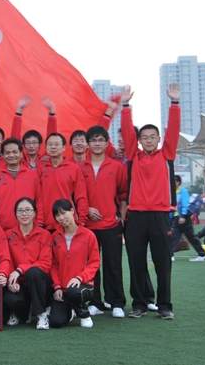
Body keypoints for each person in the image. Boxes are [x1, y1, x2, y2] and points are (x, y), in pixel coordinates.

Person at [120, 83, 180, 320]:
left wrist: (174, 103)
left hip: (159, 215)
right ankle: (139, 304)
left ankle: (165, 306)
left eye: (152, 137)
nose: (148, 140)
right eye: (144, 137)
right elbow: (127, 131)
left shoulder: (166, 154)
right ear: (139, 140)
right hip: (135, 216)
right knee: (136, 262)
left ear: (158, 139)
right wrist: (126, 106)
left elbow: (173, 130)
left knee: (163, 263)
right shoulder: (133, 156)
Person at [79, 126, 128, 318]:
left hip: (111, 224)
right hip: (88, 226)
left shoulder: (116, 167)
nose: (97, 143)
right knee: (92, 266)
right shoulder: (81, 168)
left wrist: (120, 216)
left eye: (101, 140)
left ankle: (117, 302)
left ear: (107, 143)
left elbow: (123, 194)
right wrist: (87, 210)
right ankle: (95, 302)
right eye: (93, 140)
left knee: (113, 264)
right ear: (88, 144)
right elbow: (77, 195)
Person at [49, 199, 100, 328]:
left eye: (63, 213)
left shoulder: (89, 235)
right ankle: (70, 310)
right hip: (63, 288)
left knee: (75, 291)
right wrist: (57, 286)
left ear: (72, 211)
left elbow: (94, 262)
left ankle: (84, 314)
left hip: (83, 285)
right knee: (56, 322)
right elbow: (54, 265)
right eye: (57, 215)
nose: (61, 218)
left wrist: (80, 277)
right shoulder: (54, 237)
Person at [4, 197, 53, 330]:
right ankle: (24, 313)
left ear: (34, 213)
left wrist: (21, 269)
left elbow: (45, 263)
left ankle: (41, 314)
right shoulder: (8, 235)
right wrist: (11, 280)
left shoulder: (45, 235)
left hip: (40, 282)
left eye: (28, 210)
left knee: (33, 272)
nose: (24, 214)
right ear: (15, 214)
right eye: (20, 211)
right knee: (11, 299)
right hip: (20, 283)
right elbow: (6, 260)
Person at [37, 133, 89, 231]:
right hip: (46, 223)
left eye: (56, 144)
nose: (53, 147)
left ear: (64, 147)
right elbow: (38, 198)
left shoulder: (74, 169)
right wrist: (39, 220)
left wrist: (82, 219)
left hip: (68, 222)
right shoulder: (41, 169)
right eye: (50, 144)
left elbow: (81, 196)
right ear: (46, 148)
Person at [0, 138, 40, 233]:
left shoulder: (32, 175)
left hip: (30, 228)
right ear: (3, 156)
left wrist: (39, 222)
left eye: (15, 152)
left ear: (21, 154)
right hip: (3, 230)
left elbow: (39, 201)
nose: (11, 155)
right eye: (7, 153)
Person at [172, 175, 205, 262]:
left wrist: (183, 216)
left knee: (191, 236)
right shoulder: (173, 192)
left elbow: (185, 204)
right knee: (173, 236)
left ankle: (202, 254)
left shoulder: (183, 192)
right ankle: (170, 254)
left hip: (184, 218)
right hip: (176, 217)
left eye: (174, 181)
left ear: (178, 182)